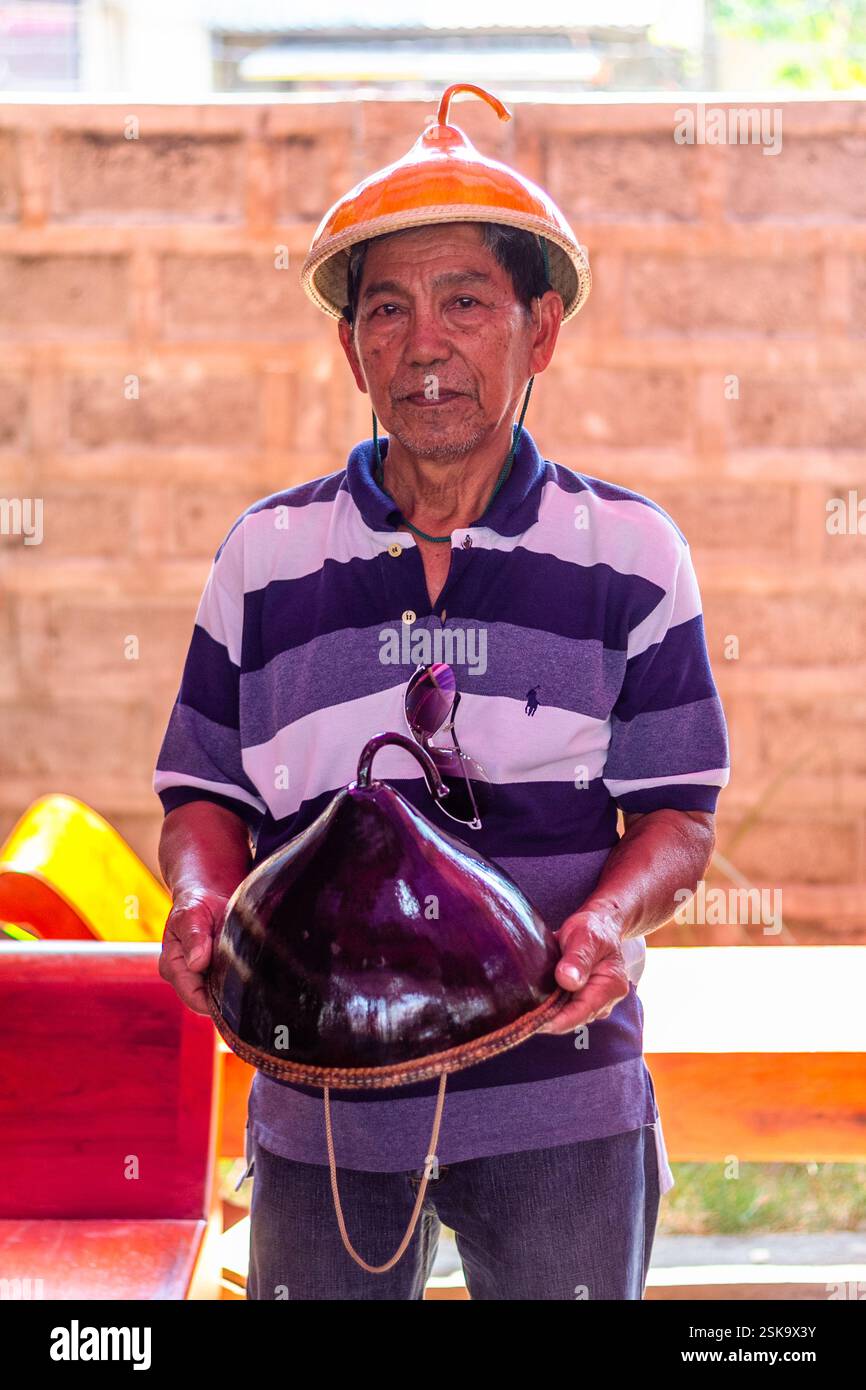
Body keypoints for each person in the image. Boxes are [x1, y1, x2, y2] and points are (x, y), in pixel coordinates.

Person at [154, 84, 729, 1301]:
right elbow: (202, 793)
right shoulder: (266, 557)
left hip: (560, 1092)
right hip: (321, 1098)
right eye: (387, 310)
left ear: (541, 329)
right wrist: (203, 897)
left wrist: (609, 923)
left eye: (465, 302)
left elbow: (677, 816)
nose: (425, 345)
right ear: (350, 343)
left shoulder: (628, 552)